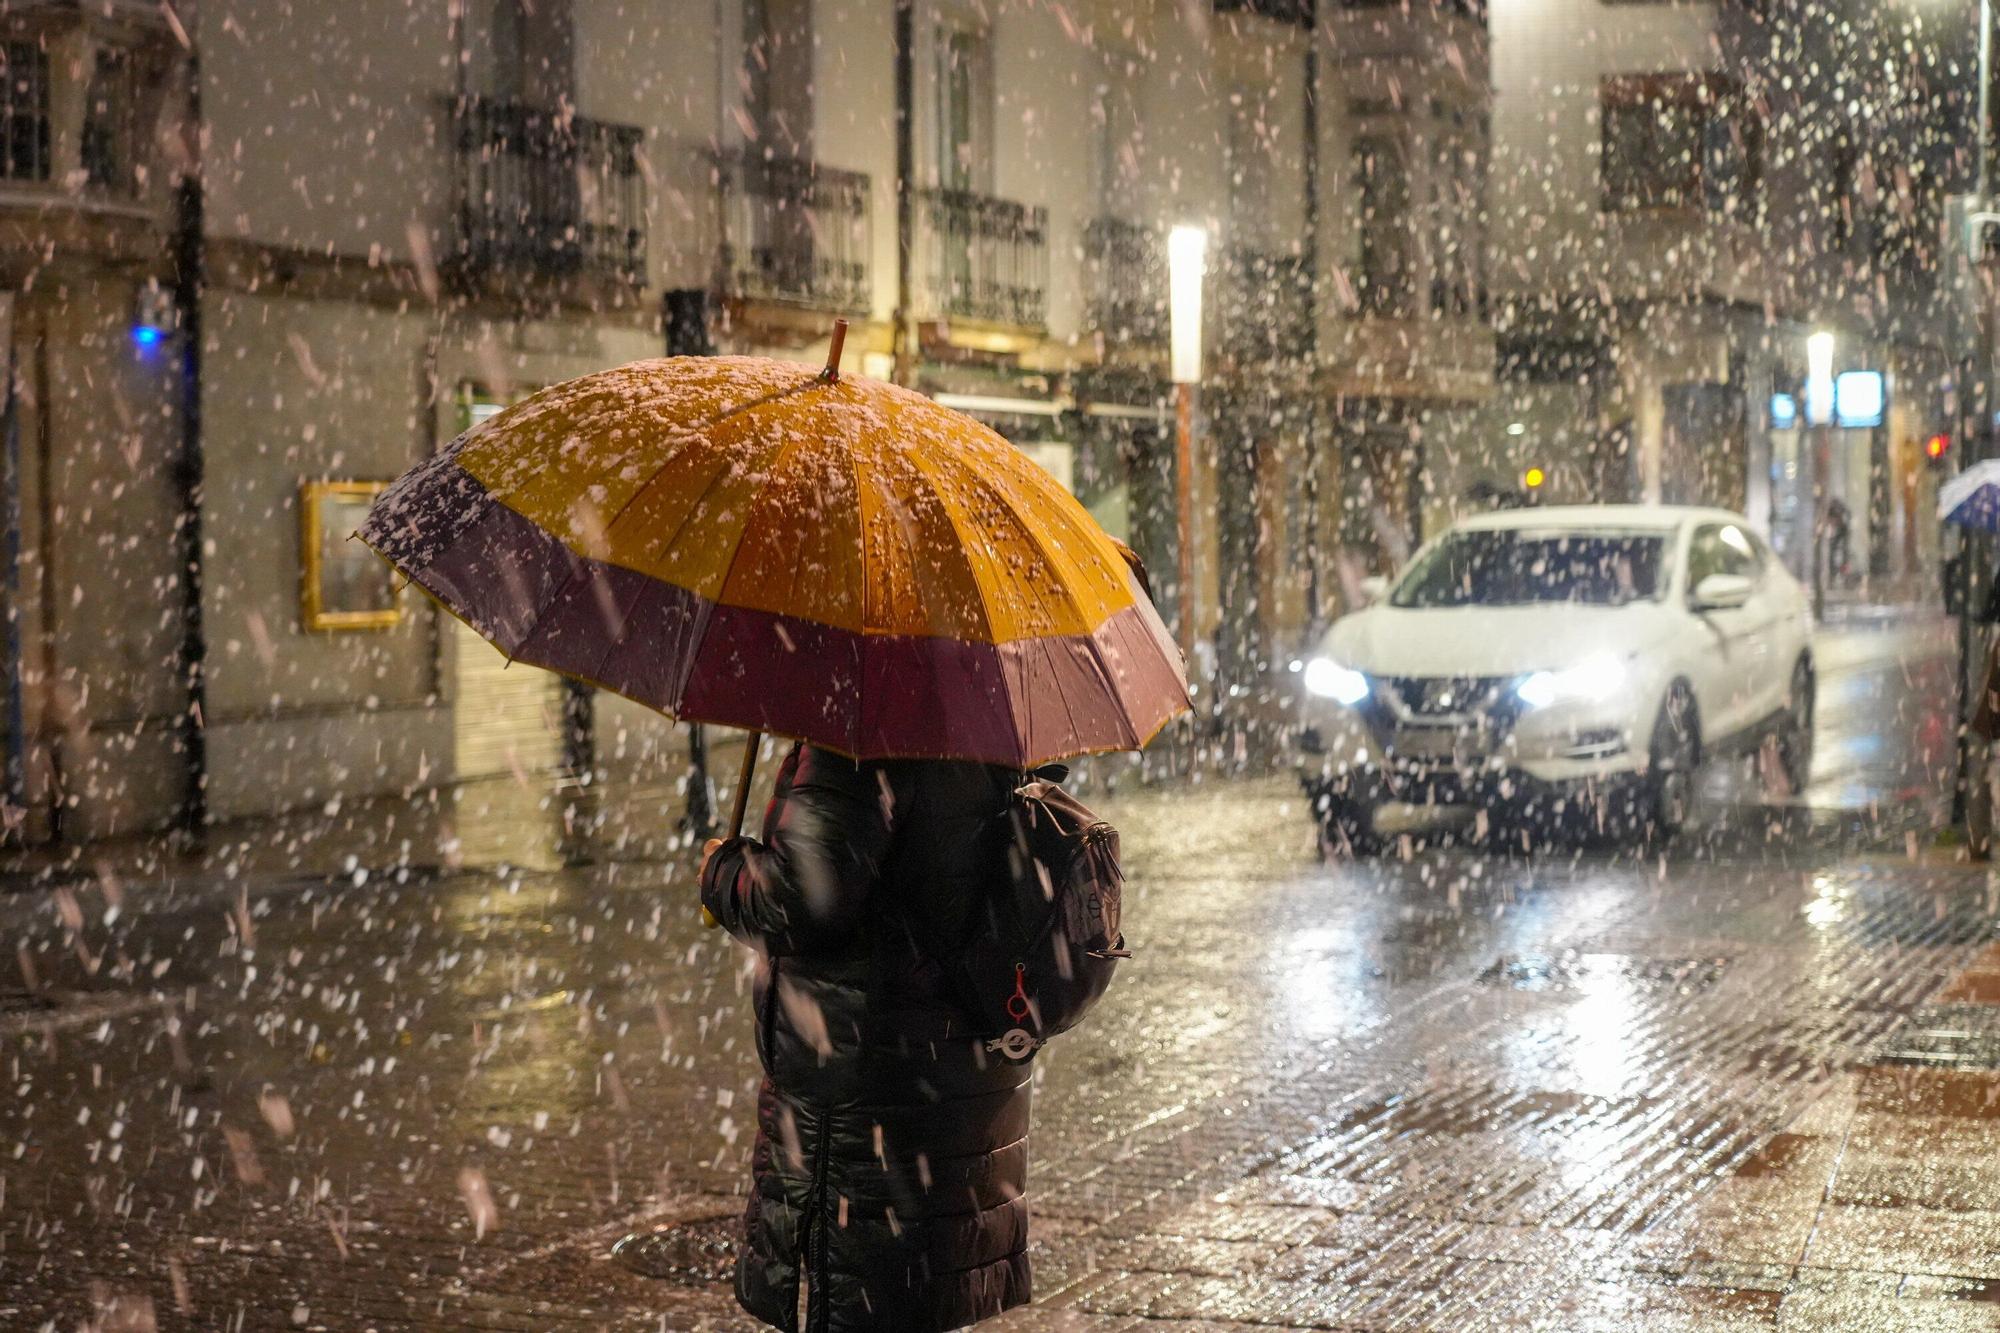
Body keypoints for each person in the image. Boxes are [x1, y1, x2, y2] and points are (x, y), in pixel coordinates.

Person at [699, 743, 1030, 1333]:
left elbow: (803, 900)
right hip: (950, 1069)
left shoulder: (850, 744)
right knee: (916, 1295)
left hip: (864, 1088)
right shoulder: (979, 726)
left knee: (864, 1299)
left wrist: (723, 871)